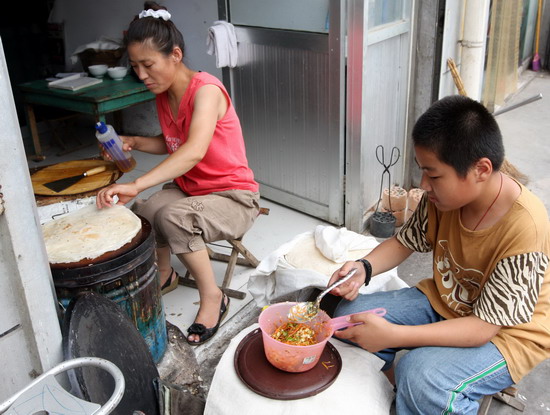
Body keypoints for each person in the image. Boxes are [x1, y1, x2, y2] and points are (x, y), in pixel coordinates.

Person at [327, 95, 550, 414]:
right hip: (450, 302)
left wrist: (394, 334)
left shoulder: (525, 225)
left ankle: (427, 398)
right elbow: (405, 242)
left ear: (481, 170)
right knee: (347, 318)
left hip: (508, 335)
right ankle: (394, 397)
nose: (423, 186)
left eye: (433, 175)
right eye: (422, 172)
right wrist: (364, 267)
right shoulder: (442, 200)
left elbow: (482, 328)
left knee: (422, 374)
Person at [96, 1, 260, 345]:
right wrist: (134, 141)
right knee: (144, 211)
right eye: (135, 66)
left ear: (175, 55)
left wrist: (137, 182)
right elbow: (173, 142)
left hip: (233, 197)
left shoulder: (207, 91)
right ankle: (167, 273)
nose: (141, 75)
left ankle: (215, 297)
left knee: (171, 216)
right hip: (193, 189)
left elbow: (193, 150)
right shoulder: (164, 93)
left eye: (148, 64)